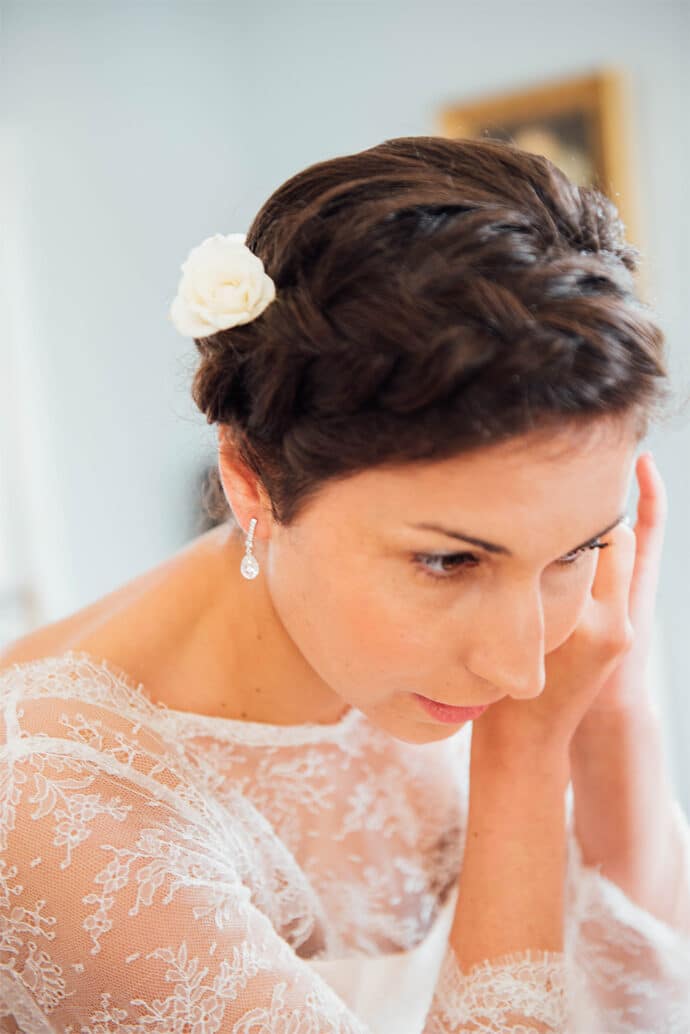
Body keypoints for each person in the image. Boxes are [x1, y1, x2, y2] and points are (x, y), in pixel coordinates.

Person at [0, 135, 688, 1033]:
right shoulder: (58, 808)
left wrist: (612, 709)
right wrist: (524, 760)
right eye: (450, 561)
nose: (523, 669)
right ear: (251, 480)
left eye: (578, 549)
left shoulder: (498, 657)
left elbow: (656, 989)